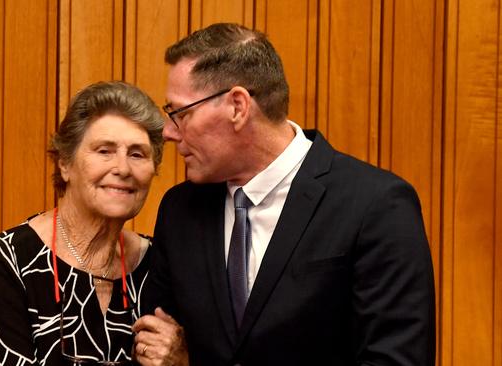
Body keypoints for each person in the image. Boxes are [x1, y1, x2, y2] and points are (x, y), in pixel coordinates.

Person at [132, 23, 435, 366]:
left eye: (181, 113)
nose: (169, 132)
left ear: (237, 107)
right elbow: (157, 347)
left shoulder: (376, 205)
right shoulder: (180, 210)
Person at [0, 81, 164, 365]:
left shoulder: (159, 265)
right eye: (104, 151)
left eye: (137, 154)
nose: (123, 168)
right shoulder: (5, 263)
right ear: (65, 163)